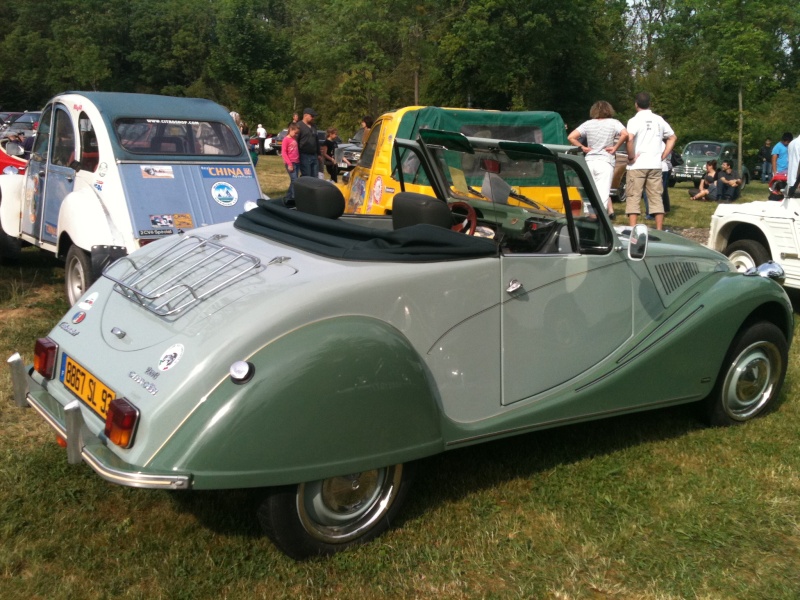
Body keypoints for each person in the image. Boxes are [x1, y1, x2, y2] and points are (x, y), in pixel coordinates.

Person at [625, 92, 676, 230]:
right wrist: (664, 155)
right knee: (656, 197)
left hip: (637, 164)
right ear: (650, 104)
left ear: (636, 104)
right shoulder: (659, 119)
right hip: (655, 164)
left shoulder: (634, 121)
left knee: (633, 196)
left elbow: (629, 139)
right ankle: (659, 229)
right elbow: (672, 137)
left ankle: (633, 229)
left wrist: (630, 157)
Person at [567, 101, 628, 218]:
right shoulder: (614, 123)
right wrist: (615, 147)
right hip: (605, 162)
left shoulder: (588, 124)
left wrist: (583, 147)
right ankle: (597, 220)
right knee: (602, 195)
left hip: (589, 162)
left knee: (589, 193)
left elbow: (571, 137)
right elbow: (625, 134)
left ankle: (590, 218)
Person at [296, 108, 320, 178]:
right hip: (304, 155)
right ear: (305, 115)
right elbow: (296, 141)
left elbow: (316, 140)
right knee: (307, 176)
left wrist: (319, 154)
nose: (313, 118)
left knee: (315, 176)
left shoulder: (314, 126)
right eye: (312, 116)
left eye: (314, 116)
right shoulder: (299, 126)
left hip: (314, 155)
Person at [281, 123, 300, 201]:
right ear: (291, 130)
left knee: (294, 180)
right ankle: (293, 197)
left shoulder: (294, 139)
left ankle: (288, 197)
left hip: (297, 162)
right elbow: (284, 152)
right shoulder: (286, 139)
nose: (296, 135)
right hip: (291, 162)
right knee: (294, 180)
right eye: (295, 133)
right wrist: (289, 164)